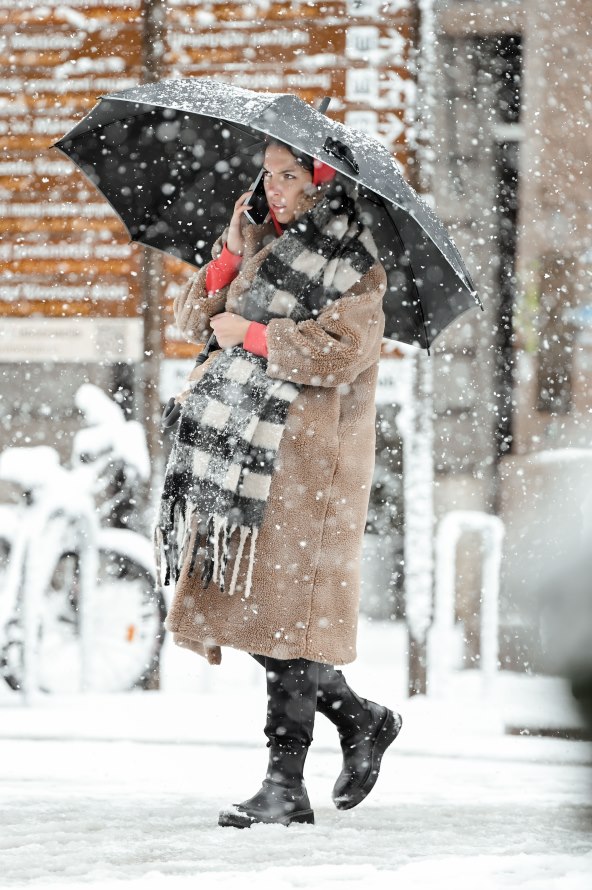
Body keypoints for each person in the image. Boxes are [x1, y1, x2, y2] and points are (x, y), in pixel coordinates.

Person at [154, 138, 402, 828]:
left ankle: (285, 785)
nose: (276, 187)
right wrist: (231, 255)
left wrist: (255, 336)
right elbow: (189, 320)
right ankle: (361, 718)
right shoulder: (262, 249)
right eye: (269, 175)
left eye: (290, 175)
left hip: (313, 463)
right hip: (252, 460)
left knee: (289, 621)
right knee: (266, 618)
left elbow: (344, 352)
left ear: (321, 184)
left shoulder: (355, 263)